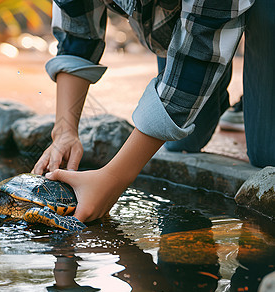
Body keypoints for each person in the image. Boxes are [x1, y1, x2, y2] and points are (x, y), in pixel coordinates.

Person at [32, 0, 275, 223]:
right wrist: (64, 131)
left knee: (268, 155)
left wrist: (113, 179)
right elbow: (77, 33)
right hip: (189, 22)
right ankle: (217, 70)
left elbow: (197, 55)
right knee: (181, 139)